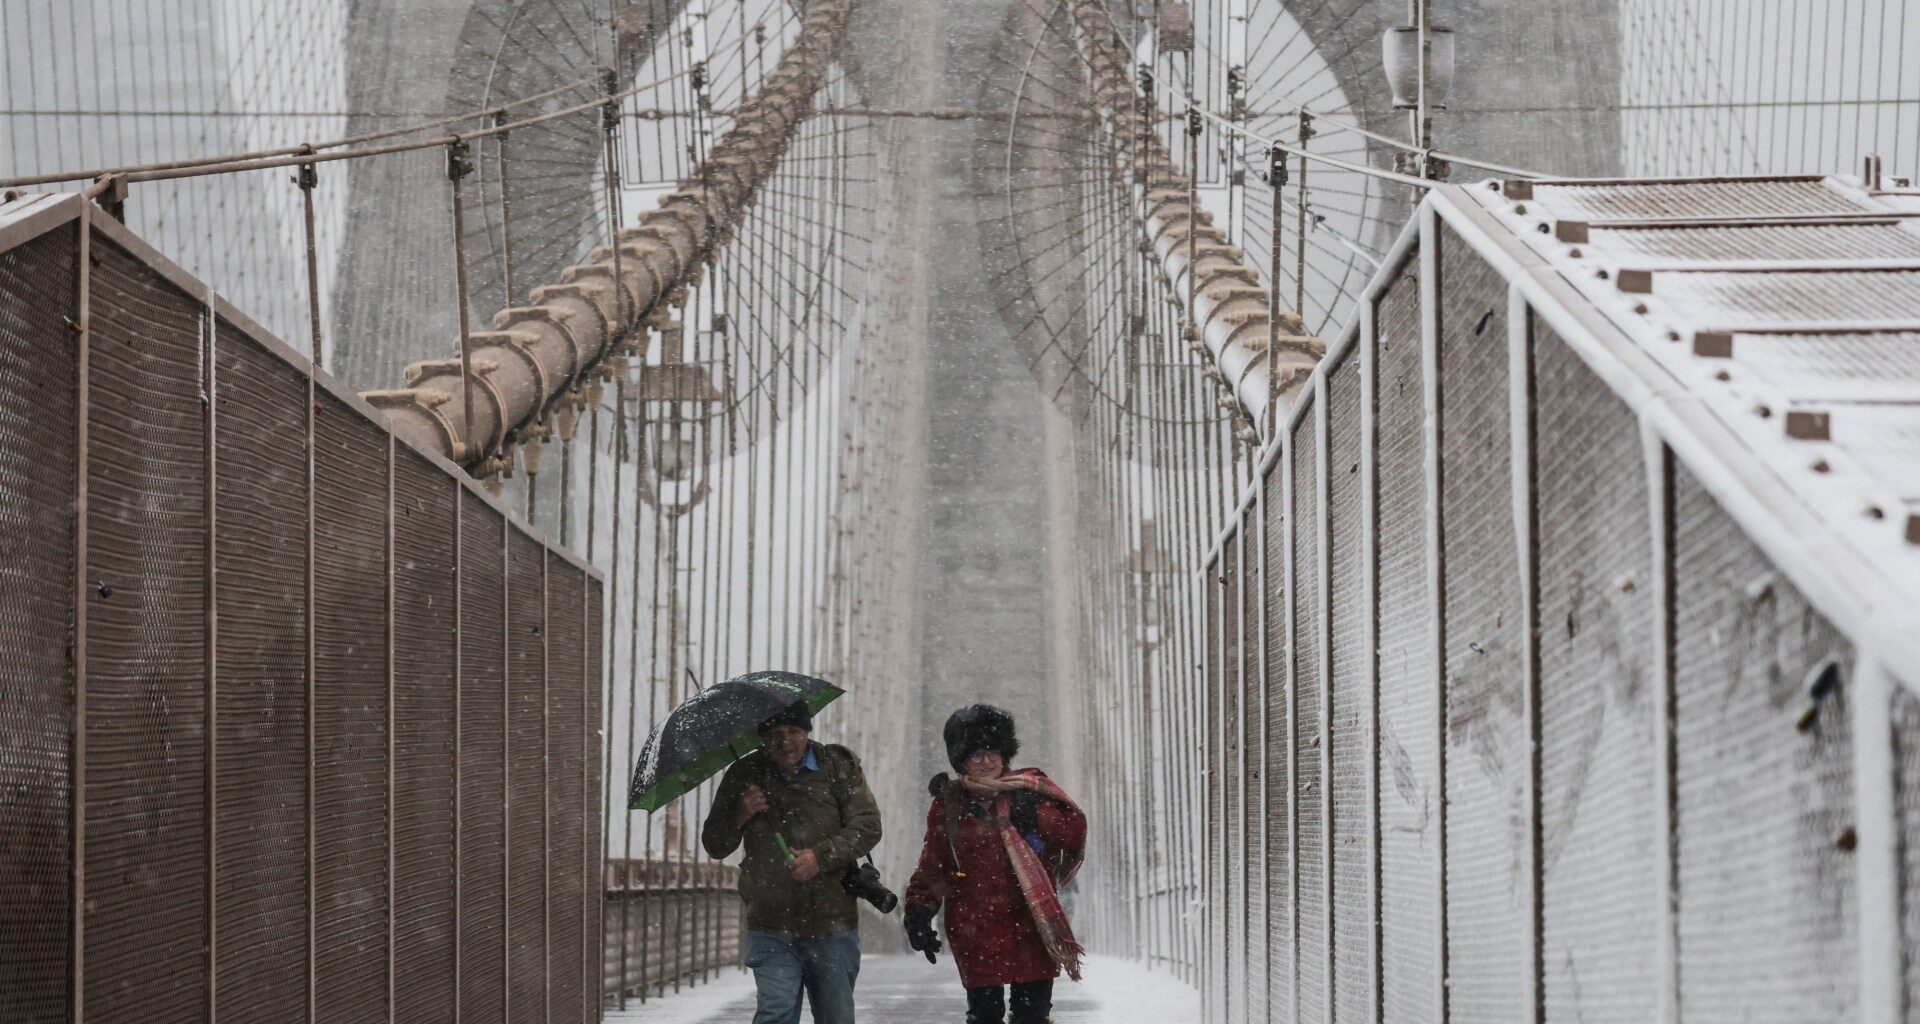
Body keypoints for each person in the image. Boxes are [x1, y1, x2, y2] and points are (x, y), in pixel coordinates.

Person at [903, 705, 1088, 1024]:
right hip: (975, 929)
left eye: (993, 752)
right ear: (962, 761)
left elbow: (1072, 834)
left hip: (1030, 924)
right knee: (984, 1015)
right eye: (976, 755)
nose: (986, 761)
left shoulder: (1030, 790)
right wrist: (918, 912)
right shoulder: (949, 805)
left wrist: (1037, 816)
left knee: (1032, 1016)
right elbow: (934, 865)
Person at [702, 701, 883, 1024]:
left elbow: (868, 826)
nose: (785, 741)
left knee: (836, 1017)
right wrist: (741, 813)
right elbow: (715, 845)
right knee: (775, 1013)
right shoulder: (745, 774)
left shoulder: (836, 766)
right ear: (763, 738)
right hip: (770, 923)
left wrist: (820, 857)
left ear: (807, 732)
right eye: (775, 734)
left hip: (832, 922)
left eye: (793, 731)